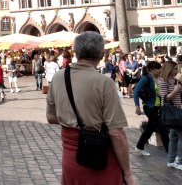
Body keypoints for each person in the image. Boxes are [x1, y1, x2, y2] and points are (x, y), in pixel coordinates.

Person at [46, 32, 134, 185]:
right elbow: (116, 133)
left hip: (71, 158)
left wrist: (72, 119)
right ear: (101, 54)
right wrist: (127, 174)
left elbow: (51, 117)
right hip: (100, 157)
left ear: (76, 52)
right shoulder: (104, 83)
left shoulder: (59, 77)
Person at [133, 61, 169, 156]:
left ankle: (139, 146)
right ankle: (170, 154)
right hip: (149, 107)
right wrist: (137, 106)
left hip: (158, 107)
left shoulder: (160, 78)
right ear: (152, 70)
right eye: (158, 68)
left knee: (150, 129)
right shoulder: (146, 78)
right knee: (163, 129)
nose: (160, 70)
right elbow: (136, 91)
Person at [158, 61, 182, 170]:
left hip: (178, 110)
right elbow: (165, 98)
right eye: (175, 69)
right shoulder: (163, 81)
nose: (177, 71)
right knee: (180, 137)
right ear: (169, 69)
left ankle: (171, 160)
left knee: (173, 137)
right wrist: (176, 90)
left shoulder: (176, 81)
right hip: (173, 112)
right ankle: (180, 161)